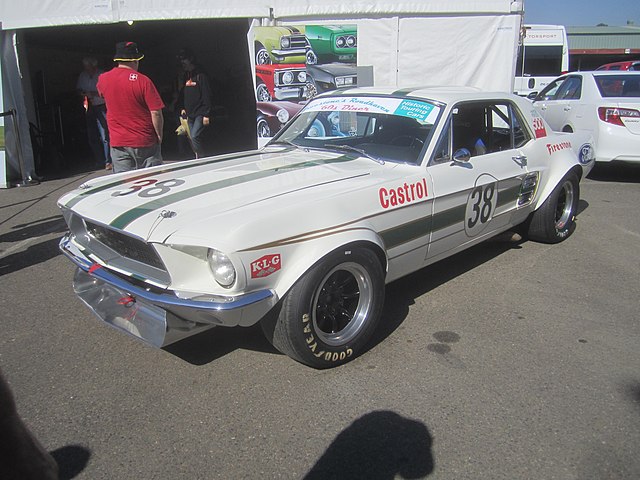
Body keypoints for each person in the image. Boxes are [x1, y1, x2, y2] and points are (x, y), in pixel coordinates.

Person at [97, 41, 164, 173]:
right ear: (135, 60)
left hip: (119, 142)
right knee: (153, 182)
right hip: (145, 140)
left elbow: (103, 95)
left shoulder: (103, 79)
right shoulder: (143, 80)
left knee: (125, 185)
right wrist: (159, 135)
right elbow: (156, 112)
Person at [177, 48, 213, 158]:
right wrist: (182, 107)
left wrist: (206, 114)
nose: (183, 63)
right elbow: (184, 93)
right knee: (189, 136)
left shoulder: (201, 76)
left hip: (200, 113)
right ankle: (196, 156)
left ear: (191, 59)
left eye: (185, 60)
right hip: (189, 113)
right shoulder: (186, 76)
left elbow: (207, 95)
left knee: (194, 135)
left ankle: (201, 157)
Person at [76, 56, 112, 170]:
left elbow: (108, 91)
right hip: (89, 107)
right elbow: (78, 88)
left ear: (94, 66)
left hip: (101, 106)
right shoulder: (83, 75)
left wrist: (94, 93)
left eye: (89, 67)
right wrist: (82, 93)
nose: (87, 69)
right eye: (85, 67)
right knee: (92, 135)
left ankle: (108, 161)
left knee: (105, 134)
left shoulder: (102, 75)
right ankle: (99, 160)